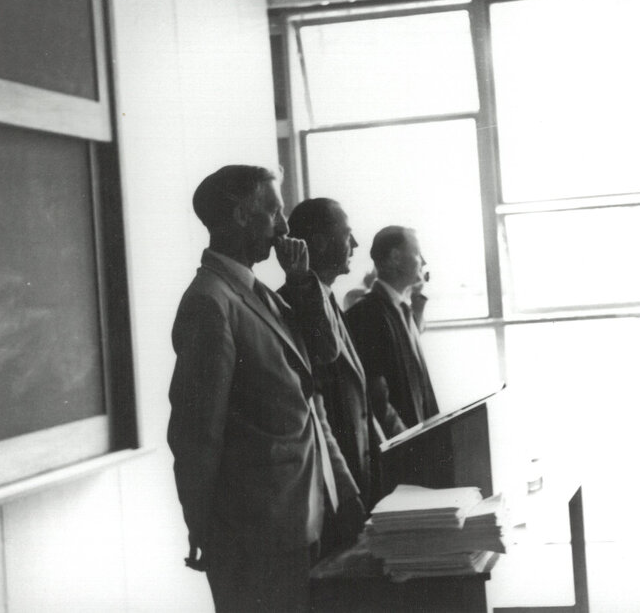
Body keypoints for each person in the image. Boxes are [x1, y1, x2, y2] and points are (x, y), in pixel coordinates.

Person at [167, 166, 362, 613]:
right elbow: (196, 433)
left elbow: (324, 358)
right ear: (240, 215)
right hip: (254, 538)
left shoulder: (261, 294)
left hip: (300, 519)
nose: (284, 227)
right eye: (274, 211)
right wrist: (201, 528)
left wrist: (301, 280)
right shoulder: (209, 302)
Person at [279, 198, 406, 509]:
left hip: (359, 476)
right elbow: (315, 409)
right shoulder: (295, 306)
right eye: (347, 234)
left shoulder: (328, 299)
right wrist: (346, 490)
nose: (355, 243)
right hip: (333, 493)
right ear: (320, 243)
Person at [345, 225, 439, 428]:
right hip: (402, 445)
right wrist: (407, 440)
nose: (423, 262)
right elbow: (376, 397)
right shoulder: (367, 314)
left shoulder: (400, 308)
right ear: (395, 258)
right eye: (417, 253)